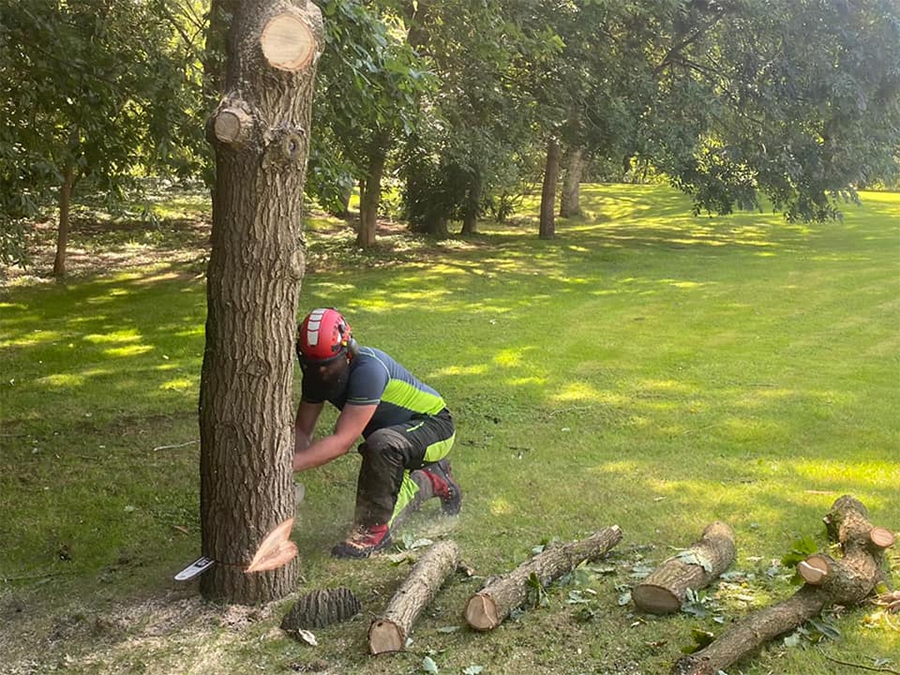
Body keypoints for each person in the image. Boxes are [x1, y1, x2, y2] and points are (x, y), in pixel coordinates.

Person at [292, 307, 462, 558]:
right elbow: (302, 431)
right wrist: (284, 470)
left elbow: (342, 441)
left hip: (435, 426)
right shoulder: (316, 377)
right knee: (382, 443)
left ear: (349, 352)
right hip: (398, 436)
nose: (321, 372)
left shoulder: (369, 371)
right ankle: (433, 475)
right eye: (312, 365)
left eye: (327, 365)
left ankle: (374, 531)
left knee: (381, 444)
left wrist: (286, 466)